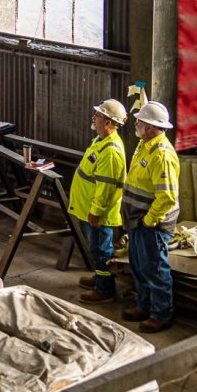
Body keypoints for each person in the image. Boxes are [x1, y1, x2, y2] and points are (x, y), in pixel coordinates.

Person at [121, 99, 181, 333]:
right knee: (139, 265)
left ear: (149, 126)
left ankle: (161, 313)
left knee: (155, 268)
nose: (135, 124)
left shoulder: (162, 155)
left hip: (151, 224)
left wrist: (149, 221)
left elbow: (166, 196)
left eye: (139, 121)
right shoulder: (144, 146)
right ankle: (143, 305)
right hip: (137, 219)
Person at [65, 99, 130, 305]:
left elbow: (105, 187)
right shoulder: (100, 141)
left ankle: (105, 289)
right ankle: (100, 276)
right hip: (89, 208)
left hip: (99, 213)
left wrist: (96, 211)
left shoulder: (111, 151)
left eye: (99, 116)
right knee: (96, 248)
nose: (94, 118)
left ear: (109, 122)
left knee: (101, 249)